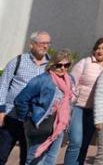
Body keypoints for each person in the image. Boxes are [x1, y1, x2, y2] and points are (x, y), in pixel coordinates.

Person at [13, 50, 75, 165]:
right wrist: (27, 118)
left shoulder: (69, 80)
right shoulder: (42, 79)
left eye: (66, 65)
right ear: (52, 65)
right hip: (42, 124)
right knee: (35, 158)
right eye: (59, 65)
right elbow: (21, 100)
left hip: (59, 126)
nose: (63, 68)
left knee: (51, 158)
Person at [0, 31, 51, 165]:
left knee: (27, 159)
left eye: (47, 43)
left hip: (33, 120)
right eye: (42, 43)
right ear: (32, 44)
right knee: (1, 154)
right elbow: (3, 85)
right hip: (12, 115)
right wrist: (1, 110)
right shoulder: (18, 61)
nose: (45, 46)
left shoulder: (51, 65)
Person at [64, 37, 103, 165]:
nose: (100, 51)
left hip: (95, 111)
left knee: (85, 143)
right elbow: (71, 82)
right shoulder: (85, 62)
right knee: (75, 141)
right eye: (98, 48)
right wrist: (71, 101)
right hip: (79, 107)